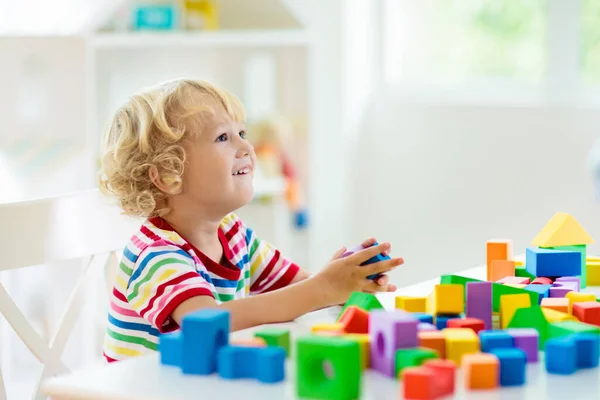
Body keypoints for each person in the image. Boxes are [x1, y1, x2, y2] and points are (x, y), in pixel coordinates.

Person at [98, 78, 403, 362]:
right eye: (223, 137)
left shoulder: (234, 235)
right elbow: (205, 323)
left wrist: (344, 280)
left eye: (241, 134)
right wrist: (322, 288)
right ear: (168, 174)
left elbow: (300, 288)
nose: (247, 147)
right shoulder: (152, 255)